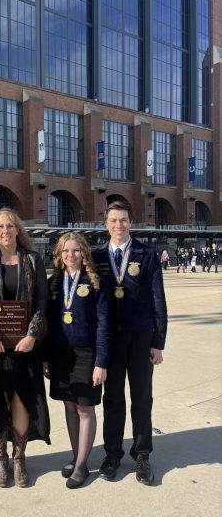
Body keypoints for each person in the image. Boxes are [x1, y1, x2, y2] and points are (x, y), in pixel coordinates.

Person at [0, 207, 50, 488]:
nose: (6, 231)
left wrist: (32, 334)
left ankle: (19, 457)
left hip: (25, 346)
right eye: (1, 226)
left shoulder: (32, 259)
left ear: (18, 230)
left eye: (11, 226)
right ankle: (0, 458)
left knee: (20, 398)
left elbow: (42, 301)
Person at [93, 201, 167, 485]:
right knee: (112, 399)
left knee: (141, 398)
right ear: (106, 223)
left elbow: (158, 300)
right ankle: (112, 455)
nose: (118, 225)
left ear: (131, 222)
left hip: (140, 336)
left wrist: (158, 341)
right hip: (110, 339)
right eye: (113, 220)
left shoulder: (146, 255)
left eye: (123, 220)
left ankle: (142, 454)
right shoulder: (97, 255)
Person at [43, 232, 111, 489]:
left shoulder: (95, 283)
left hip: (87, 354)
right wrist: (46, 358)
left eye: (75, 251)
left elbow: (104, 325)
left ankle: (82, 465)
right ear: (59, 255)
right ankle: (76, 456)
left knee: (85, 409)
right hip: (60, 354)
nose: (70, 255)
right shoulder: (53, 283)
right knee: (69, 407)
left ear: (84, 253)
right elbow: (47, 325)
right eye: (65, 251)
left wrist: (101, 362)